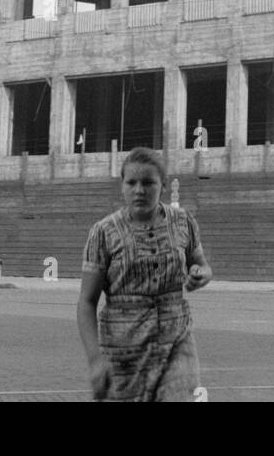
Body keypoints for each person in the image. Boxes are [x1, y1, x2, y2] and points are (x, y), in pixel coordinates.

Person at [78, 147, 212, 402]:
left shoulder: (183, 222)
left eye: (148, 182)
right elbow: (86, 302)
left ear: (162, 186)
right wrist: (95, 359)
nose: (139, 190)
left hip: (176, 340)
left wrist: (201, 274)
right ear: (122, 185)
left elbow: (203, 265)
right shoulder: (103, 233)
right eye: (132, 182)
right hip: (123, 352)